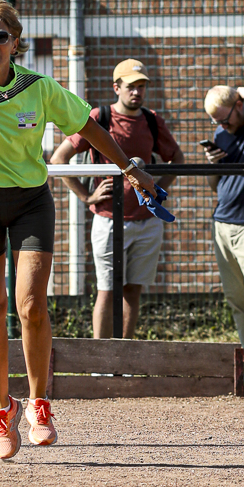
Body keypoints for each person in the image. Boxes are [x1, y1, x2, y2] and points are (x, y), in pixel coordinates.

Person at [0, 5, 157, 460]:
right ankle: (3, 410)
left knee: (32, 304)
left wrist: (128, 169)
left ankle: (39, 405)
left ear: (16, 42)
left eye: (0, 36)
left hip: (30, 201)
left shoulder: (39, 88)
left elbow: (87, 126)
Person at [51, 59, 184, 339]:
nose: (137, 92)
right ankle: (101, 361)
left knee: (132, 291)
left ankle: (124, 357)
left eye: (141, 87)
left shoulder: (151, 120)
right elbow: (58, 159)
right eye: (131, 86)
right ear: (116, 88)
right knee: (107, 290)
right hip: (109, 220)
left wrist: (156, 189)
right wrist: (87, 196)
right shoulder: (100, 119)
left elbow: (177, 158)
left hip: (148, 221)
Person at [203, 85, 244, 345]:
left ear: (239, 105)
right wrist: (213, 164)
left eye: (223, 118)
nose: (220, 125)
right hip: (223, 226)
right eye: (215, 121)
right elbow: (216, 185)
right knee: (237, 303)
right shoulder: (222, 133)